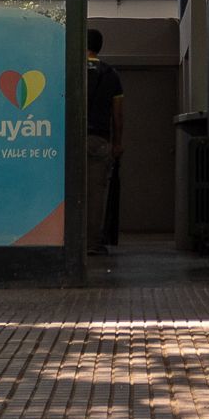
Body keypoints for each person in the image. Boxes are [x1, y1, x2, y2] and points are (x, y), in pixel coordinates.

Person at [86, 25, 126, 254]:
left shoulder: (70, 69)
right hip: (100, 139)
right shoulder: (111, 75)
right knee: (96, 193)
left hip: (72, 138)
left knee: (72, 191)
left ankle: (72, 242)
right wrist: (118, 143)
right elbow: (118, 114)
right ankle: (92, 243)